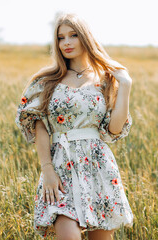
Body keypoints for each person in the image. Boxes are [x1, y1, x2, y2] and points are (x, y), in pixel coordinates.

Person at [15, 13, 134, 240]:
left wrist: (126, 85)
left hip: (98, 165)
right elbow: (40, 127)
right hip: (60, 166)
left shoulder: (106, 80)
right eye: (61, 38)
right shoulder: (47, 81)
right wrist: (47, 168)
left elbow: (114, 129)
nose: (66, 43)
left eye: (73, 35)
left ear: (86, 38)